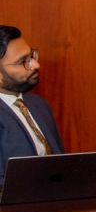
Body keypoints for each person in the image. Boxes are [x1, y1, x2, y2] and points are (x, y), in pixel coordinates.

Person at [0, 26, 65, 181]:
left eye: (32, 56)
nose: (36, 65)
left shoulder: (38, 104)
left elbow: (60, 163)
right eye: (23, 62)